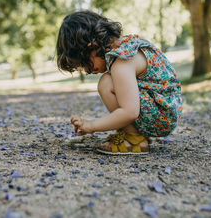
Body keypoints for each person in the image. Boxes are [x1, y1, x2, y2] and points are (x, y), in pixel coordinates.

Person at [56, 10, 182, 155]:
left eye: (85, 63)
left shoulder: (122, 61)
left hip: (162, 116)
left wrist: (92, 125)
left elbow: (130, 112)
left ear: (93, 46)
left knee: (106, 83)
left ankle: (135, 139)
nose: (87, 71)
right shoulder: (129, 44)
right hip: (165, 111)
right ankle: (137, 134)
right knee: (109, 80)